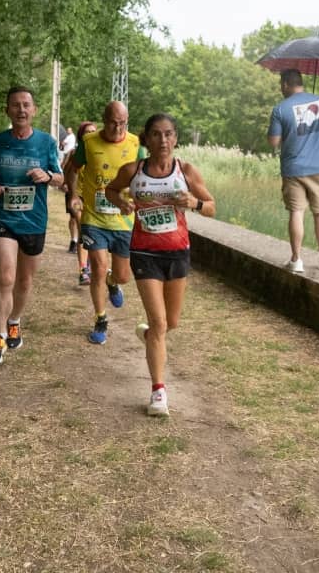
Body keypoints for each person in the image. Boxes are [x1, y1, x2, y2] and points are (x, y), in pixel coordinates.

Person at [104, 113, 216, 416]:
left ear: (175, 138)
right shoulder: (133, 170)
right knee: (160, 323)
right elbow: (111, 190)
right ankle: (158, 391)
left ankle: (149, 336)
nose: (163, 140)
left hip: (178, 253)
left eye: (168, 134)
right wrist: (122, 203)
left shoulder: (186, 171)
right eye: (156, 134)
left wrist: (194, 203)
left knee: (170, 323)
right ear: (147, 139)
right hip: (145, 253)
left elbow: (211, 207)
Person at [0, 86, 63, 364]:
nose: (21, 110)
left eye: (26, 105)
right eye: (16, 105)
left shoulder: (46, 142)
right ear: (8, 110)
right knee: (6, 276)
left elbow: (60, 179)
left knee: (24, 281)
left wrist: (47, 175)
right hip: (3, 217)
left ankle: (14, 320)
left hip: (34, 220)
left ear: (34, 110)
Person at [66, 101, 144, 345]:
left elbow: (144, 176)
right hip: (94, 217)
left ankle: (113, 282)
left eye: (123, 123)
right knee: (98, 268)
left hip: (123, 220)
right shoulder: (89, 142)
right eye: (113, 123)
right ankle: (100, 318)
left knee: (123, 276)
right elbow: (72, 169)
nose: (118, 128)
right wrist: (74, 195)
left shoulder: (136, 144)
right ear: (104, 120)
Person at [267, 69, 319, 273]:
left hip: (293, 169)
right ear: (301, 83)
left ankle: (296, 260)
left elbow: (273, 141)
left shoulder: (280, 109)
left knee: (296, 212)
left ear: (285, 84)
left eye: (281, 85)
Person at [62, 121, 97, 282]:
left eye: (93, 131)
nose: (90, 134)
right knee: (84, 230)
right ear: (81, 135)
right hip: (78, 196)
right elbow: (67, 170)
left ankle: (92, 264)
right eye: (87, 132)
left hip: (95, 199)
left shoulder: (100, 152)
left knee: (94, 233)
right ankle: (83, 270)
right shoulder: (75, 153)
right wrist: (68, 188)